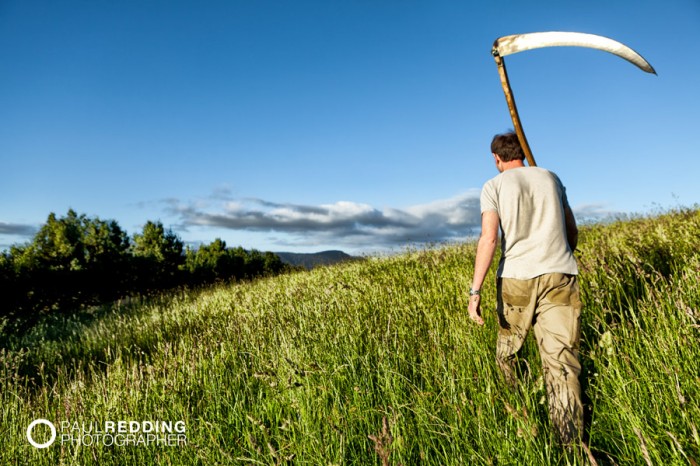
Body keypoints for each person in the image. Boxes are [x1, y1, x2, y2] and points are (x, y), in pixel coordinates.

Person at [467, 131, 582, 445]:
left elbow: (489, 238)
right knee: (561, 363)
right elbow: (572, 230)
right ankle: (568, 444)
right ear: (522, 151)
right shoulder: (552, 178)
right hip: (560, 273)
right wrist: (566, 251)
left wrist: (474, 291)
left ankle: (522, 418)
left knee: (508, 354)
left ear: (497, 158)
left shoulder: (494, 186)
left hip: (517, 278)